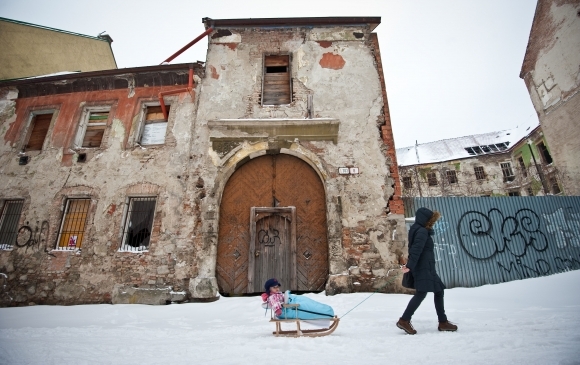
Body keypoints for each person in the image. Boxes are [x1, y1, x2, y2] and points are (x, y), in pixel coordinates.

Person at [397, 207, 458, 335]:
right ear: (425, 219)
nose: (432, 222)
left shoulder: (418, 230)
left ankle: (443, 322)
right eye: (430, 220)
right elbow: (416, 249)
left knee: (438, 290)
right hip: (423, 267)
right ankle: (404, 320)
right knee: (422, 293)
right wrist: (410, 266)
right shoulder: (422, 232)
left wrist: (411, 265)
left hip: (427, 267)